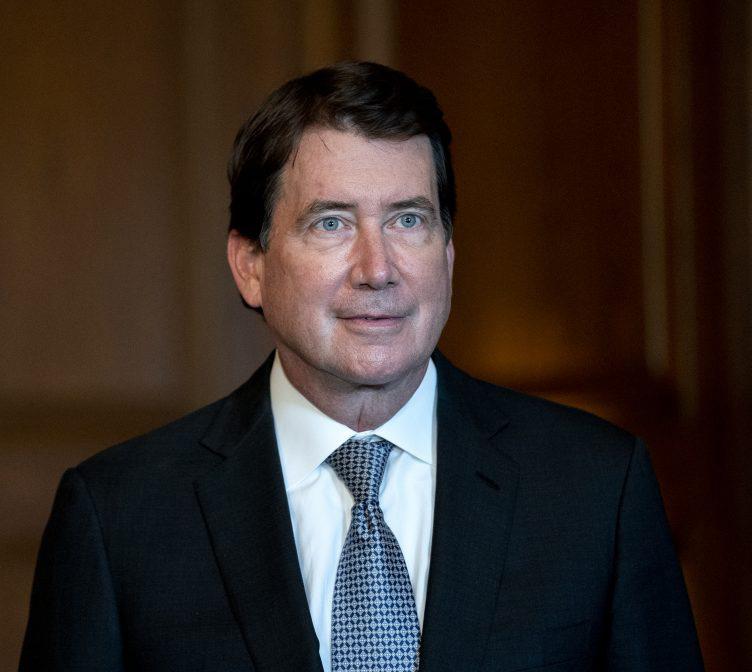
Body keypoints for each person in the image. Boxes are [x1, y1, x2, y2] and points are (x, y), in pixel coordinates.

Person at [20, 61, 704, 672]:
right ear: (251, 266)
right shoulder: (119, 517)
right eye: (332, 223)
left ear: (448, 254)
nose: (378, 269)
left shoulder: (596, 489)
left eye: (408, 220)